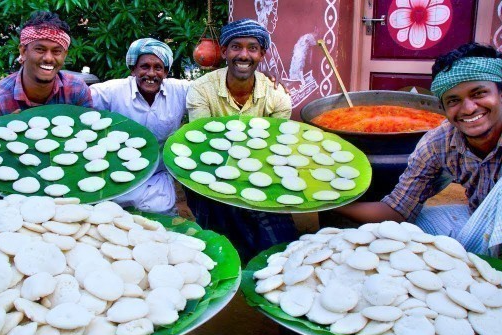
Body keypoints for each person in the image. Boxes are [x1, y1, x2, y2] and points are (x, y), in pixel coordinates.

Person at [336, 42, 502, 257]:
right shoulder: (438, 143)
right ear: (443, 108)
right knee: (394, 235)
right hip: (477, 217)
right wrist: (326, 205)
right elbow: (397, 211)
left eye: (478, 94)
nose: (468, 108)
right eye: (454, 100)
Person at [185, 18, 296, 262]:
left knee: (278, 243)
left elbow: (274, 149)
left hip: (259, 171)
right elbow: (203, 144)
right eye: (236, 47)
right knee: (223, 222)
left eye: (252, 48)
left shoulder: (277, 96)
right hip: (212, 171)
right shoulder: (202, 90)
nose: (243, 55)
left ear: (262, 54)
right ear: (224, 51)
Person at [90, 38, 189, 214]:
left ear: (166, 72)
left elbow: (207, 89)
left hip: (156, 177)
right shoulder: (112, 92)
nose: (151, 73)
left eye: (158, 67)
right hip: (115, 173)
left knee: (160, 221)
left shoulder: (179, 91)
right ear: (133, 69)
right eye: (144, 66)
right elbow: (79, 98)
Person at [0, 11, 92, 123]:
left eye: (56, 51)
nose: (48, 58)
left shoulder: (77, 90)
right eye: (40, 49)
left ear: (64, 55)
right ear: (23, 51)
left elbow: (89, 134)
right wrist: (4, 129)